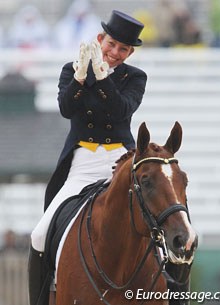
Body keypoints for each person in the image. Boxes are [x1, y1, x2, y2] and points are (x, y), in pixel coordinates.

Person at [28, 10, 146, 305]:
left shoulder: (135, 77)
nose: (115, 53)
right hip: (82, 162)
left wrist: (103, 79)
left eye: (123, 49)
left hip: (120, 161)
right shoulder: (72, 70)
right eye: (111, 44)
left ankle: (172, 292)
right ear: (100, 39)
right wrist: (80, 79)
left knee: (156, 226)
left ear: (130, 52)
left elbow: (121, 111)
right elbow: (66, 109)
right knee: (39, 235)